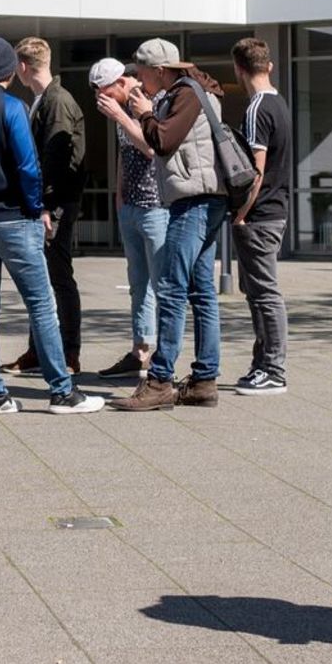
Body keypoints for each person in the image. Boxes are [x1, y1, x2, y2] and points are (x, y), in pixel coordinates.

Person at [0, 36, 100, 416]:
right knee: (42, 305)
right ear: (11, 71)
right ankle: (62, 391)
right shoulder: (13, 108)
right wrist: (34, 206)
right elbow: (28, 167)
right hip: (13, 219)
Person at [107, 39, 226, 411]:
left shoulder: (185, 93)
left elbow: (163, 141)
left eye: (141, 74)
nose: (139, 82)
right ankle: (204, 380)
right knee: (201, 290)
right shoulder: (196, 89)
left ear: (160, 70)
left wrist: (143, 113)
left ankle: (159, 381)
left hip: (193, 200)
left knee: (172, 289)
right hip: (206, 198)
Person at [1, 37, 85, 375]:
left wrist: (45, 205)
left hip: (56, 204)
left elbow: (57, 158)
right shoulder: (44, 99)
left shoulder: (56, 102)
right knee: (45, 278)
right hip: (51, 202)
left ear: (22, 67)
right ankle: (40, 350)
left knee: (58, 277)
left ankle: (67, 353)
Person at [90, 58, 160, 380]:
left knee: (162, 284)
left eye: (105, 91)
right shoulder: (118, 111)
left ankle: (163, 356)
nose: (101, 99)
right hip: (130, 206)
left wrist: (121, 115)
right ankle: (140, 351)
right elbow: (124, 152)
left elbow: (150, 148)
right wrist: (119, 194)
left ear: (121, 82)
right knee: (138, 284)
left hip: (156, 206)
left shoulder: (148, 102)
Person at [230, 38, 292, 395]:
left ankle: (273, 369)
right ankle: (262, 365)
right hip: (274, 211)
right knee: (257, 292)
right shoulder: (279, 104)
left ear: (239, 69)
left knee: (264, 293)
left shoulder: (257, 109)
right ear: (268, 66)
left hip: (260, 214)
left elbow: (256, 169)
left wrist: (241, 213)